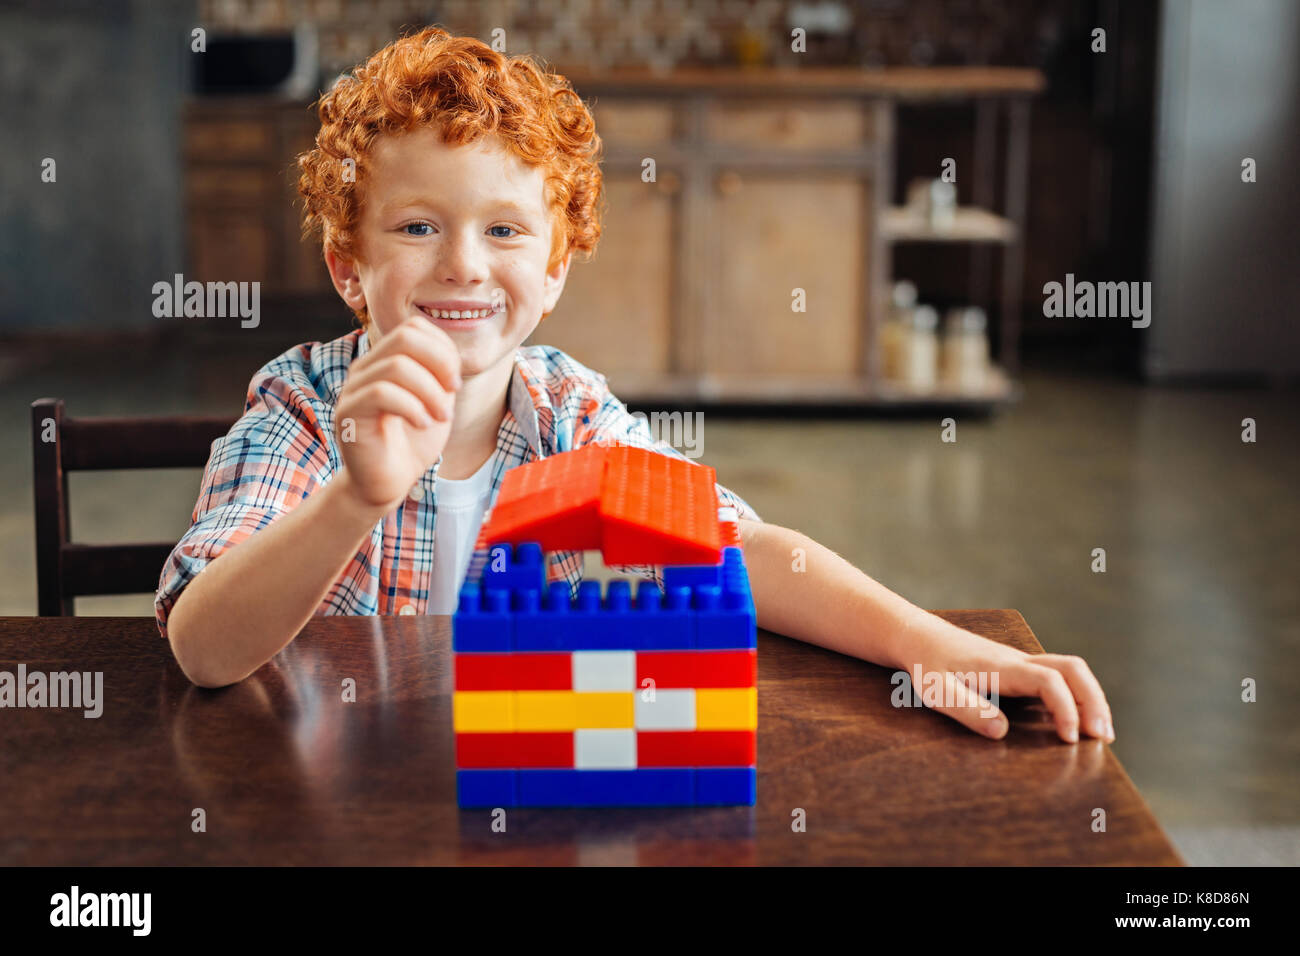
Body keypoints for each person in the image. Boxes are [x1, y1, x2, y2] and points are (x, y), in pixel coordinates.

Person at [157, 27, 1113, 748]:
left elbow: (741, 549)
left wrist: (925, 644)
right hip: (324, 798)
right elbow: (205, 652)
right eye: (415, 228)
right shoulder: (300, 404)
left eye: (504, 230)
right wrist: (353, 498)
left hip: (525, 786)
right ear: (347, 269)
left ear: (559, 268)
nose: (462, 266)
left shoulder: (569, 416)